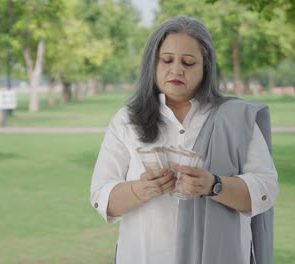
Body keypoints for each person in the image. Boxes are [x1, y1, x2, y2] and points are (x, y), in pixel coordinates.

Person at [90, 16, 278, 264]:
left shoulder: (234, 118)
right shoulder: (127, 120)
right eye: (167, 60)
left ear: (205, 68)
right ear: (153, 64)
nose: (177, 69)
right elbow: (101, 197)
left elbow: (266, 188)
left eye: (188, 63)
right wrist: (141, 189)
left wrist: (213, 185)